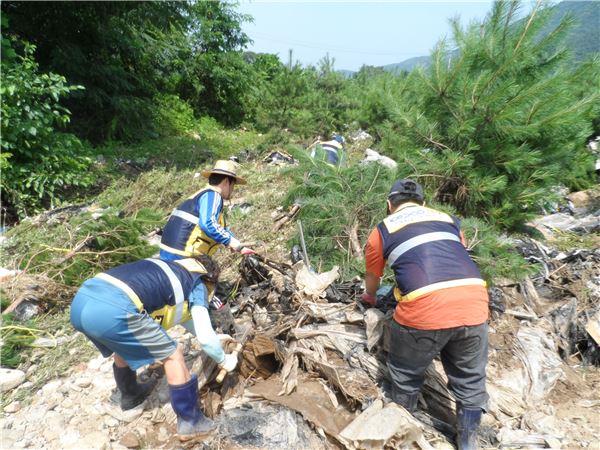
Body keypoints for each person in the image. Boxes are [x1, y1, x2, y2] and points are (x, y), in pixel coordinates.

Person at [361, 179, 489, 450]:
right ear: (423, 203)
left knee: (405, 375)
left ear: (389, 205)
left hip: (425, 308)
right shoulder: (449, 220)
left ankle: (402, 436)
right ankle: (468, 443)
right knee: (470, 380)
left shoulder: (383, 229)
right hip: (474, 302)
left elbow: (373, 275)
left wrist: (369, 298)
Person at [70, 254, 238, 441]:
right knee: (173, 354)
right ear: (210, 279)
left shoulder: (171, 269)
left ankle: (131, 394)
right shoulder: (197, 282)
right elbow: (206, 340)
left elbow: (191, 322)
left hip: (82, 302)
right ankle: (191, 422)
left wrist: (215, 338)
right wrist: (224, 359)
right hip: (113, 309)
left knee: (124, 341)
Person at [159, 159, 255, 261]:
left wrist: (234, 241)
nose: (232, 190)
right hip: (183, 254)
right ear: (227, 181)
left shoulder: (202, 194)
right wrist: (236, 245)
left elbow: (218, 226)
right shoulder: (213, 195)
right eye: (233, 185)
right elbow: (208, 224)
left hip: (168, 251)